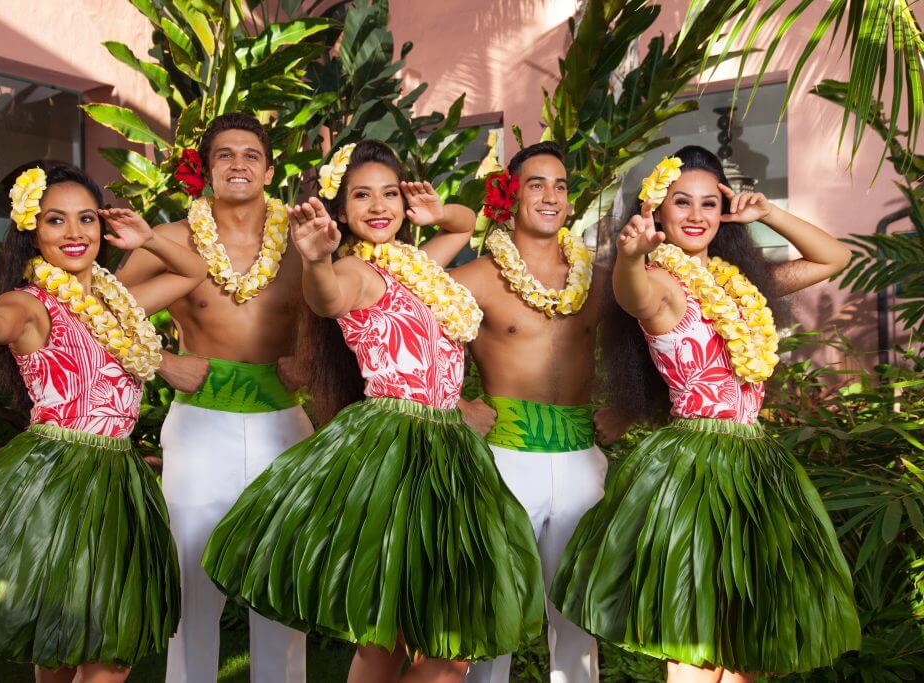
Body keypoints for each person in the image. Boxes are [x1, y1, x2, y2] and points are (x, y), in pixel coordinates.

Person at [201, 140, 545, 683]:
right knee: (433, 644)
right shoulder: (358, 272)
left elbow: (464, 222)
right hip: (395, 450)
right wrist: (316, 259)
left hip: (449, 449)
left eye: (389, 193)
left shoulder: (414, 265)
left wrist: (436, 213)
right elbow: (328, 299)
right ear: (340, 210)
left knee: (396, 640)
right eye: (362, 195)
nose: (379, 206)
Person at [550, 145, 861, 682]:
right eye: (681, 202)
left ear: (724, 213)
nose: (696, 216)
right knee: (695, 647)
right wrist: (628, 256)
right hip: (695, 471)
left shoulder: (743, 285)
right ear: (658, 211)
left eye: (709, 204)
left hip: (756, 471)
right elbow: (632, 295)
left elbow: (834, 258)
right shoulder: (663, 285)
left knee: (744, 654)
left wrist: (769, 214)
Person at [0, 161, 207, 682]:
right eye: (55, 220)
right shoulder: (30, 302)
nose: (74, 233)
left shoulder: (118, 305)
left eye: (86, 219)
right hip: (57, 479)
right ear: (32, 230)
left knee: (94, 646)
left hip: (117, 478)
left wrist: (148, 238)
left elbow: (191, 273)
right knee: (74, 646)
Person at [117, 113, 311, 683]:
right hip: (201, 424)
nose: (238, 165)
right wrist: (161, 360)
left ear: (270, 169)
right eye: (224, 155)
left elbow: (344, 318)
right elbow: (99, 307)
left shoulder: (300, 241)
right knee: (192, 581)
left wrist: (313, 366)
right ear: (204, 172)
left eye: (250, 155)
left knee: (280, 582)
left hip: (284, 425)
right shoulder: (172, 240)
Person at [451, 141, 631, 683]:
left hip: (581, 458)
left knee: (577, 613)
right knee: (492, 608)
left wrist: (626, 406)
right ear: (511, 196)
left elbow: (646, 341)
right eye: (537, 184)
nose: (551, 196)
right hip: (507, 456)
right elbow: (402, 337)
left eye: (560, 185)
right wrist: (457, 404)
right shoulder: (476, 278)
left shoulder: (599, 281)